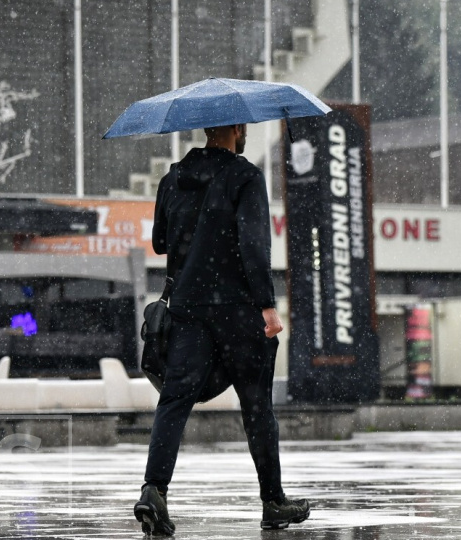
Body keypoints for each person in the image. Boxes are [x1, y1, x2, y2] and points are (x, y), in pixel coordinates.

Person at [133, 123, 310, 534]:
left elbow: (160, 242)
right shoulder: (245, 176)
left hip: (188, 308)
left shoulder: (173, 177)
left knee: (174, 401)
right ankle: (273, 501)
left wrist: (193, 230)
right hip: (238, 309)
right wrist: (267, 306)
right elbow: (254, 245)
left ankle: (153, 490)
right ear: (234, 129)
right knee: (256, 405)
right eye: (243, 128)